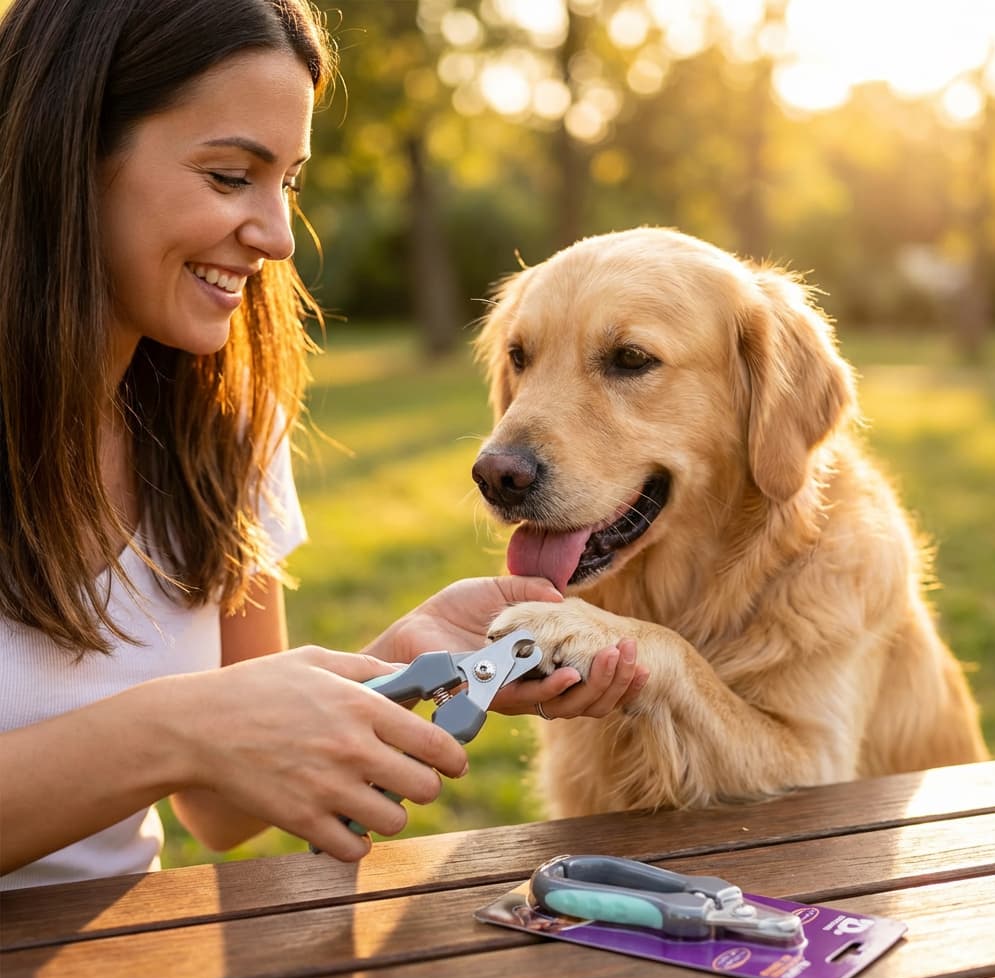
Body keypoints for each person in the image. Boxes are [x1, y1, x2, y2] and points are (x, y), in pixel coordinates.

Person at [0, 0, 647, 890]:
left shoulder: (222, 419)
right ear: (67, 156)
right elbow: (202, 732)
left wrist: (403, 661)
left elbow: (221, 808)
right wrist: (176, 726)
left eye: (289, 184)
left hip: (108, 960)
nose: (273, 236)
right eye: (231, 176)